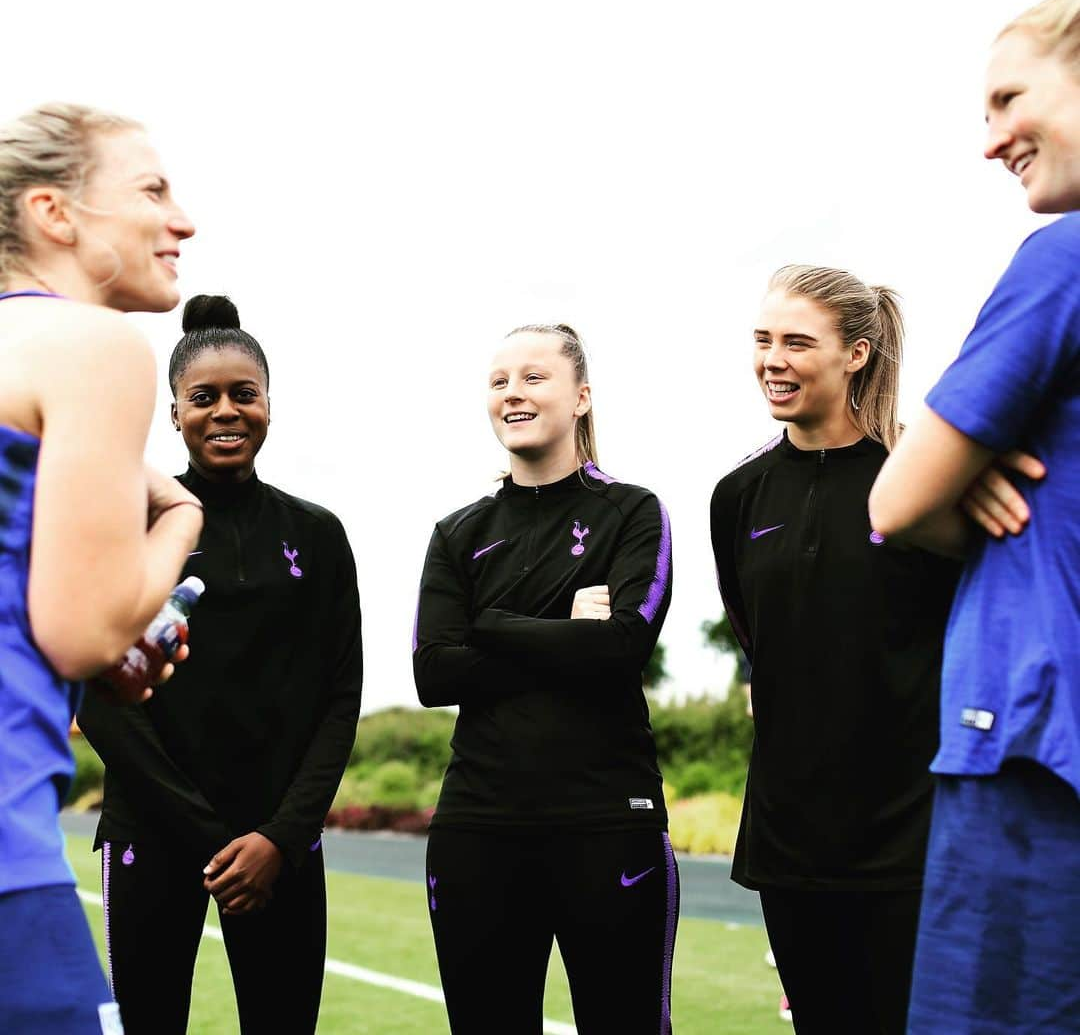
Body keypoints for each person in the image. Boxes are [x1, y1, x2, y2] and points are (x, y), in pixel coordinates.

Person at [869, 0, 1080, 1034]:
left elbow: (898, 497)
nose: (992, 138)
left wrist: (952, 480)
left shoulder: (1066, 257)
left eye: (1010, 99)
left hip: (1033, 745)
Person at [77, 295, 364, 1035]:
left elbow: (341, 695)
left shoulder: (318, 535)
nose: (226, 411)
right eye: (203, 398)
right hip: (154, 832)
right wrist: (209, 836)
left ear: (270, 404)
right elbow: (102, 698)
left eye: (245, 394)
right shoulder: (133, 521)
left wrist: (282, 836)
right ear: (174, 413)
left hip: (280, 846)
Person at [709, 265, 966, 1035]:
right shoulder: (737, 496)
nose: (772, 360)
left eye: (795, 342)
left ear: (856, 354)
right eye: (762, 341)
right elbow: (758, 643)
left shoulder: (920, 479)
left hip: (910, 833)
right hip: (791, 835)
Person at [413, 323, 677, 1034]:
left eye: (533, 377)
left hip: (607, 824)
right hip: (479, 829)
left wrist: (492, 623)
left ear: (581, 397)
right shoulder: (457, 533)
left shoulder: (633, 512)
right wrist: (563, 626)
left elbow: (621, 649)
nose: (512, 394)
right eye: (499, 382)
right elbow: (434, 672)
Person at [0, 103, 202, 1033]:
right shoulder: (93, 347)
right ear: (56, 214)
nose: (183, 221)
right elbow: (80, 631)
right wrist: (181, 525)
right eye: (153, 191)